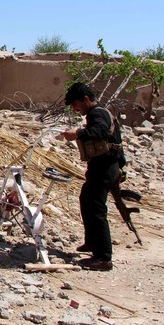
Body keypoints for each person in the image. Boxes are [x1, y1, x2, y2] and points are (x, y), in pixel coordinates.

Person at [60, 82, 122, 271]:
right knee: (86, 198)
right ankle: (92, 242)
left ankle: (103, 258)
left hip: (105, 167)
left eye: (75, 105)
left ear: (86, 100)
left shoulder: (98, 113)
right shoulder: (97, 113)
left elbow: (101, 132)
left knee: (96, 208)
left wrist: (78, 133)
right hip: (101, 166)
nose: (74, 109)